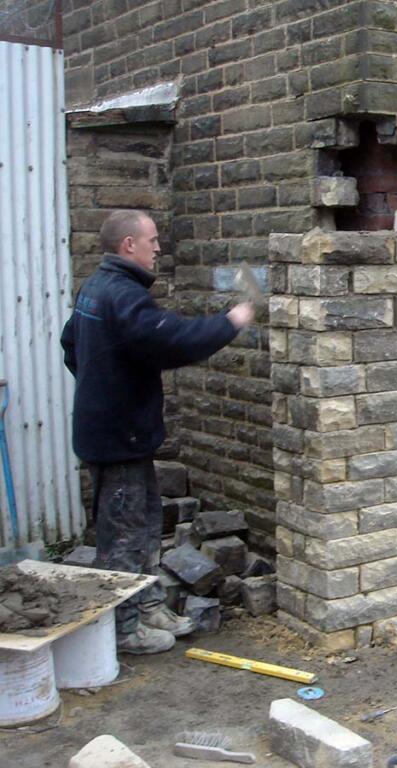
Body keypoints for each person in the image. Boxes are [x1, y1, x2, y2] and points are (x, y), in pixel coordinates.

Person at [61, 210, 254, 654]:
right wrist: (231, 321)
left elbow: (70, 345)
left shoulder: (94, 288)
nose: (159, 247)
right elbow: (173, 340)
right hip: (118, 436)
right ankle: (124, 629)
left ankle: (147, 605)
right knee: (124, 536)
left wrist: (102, 384)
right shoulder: (123, 297)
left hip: (117, 430)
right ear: (128, 245)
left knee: (145, 524)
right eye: (152, 239)